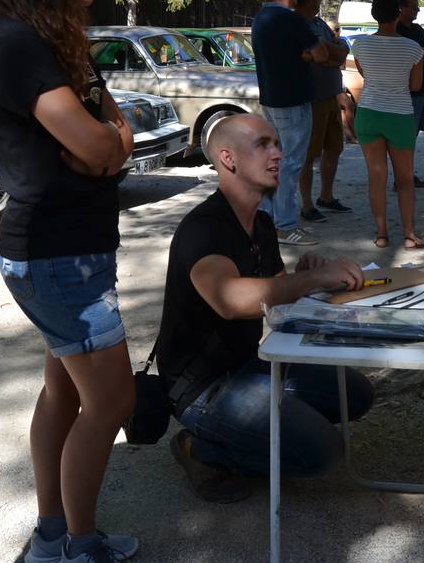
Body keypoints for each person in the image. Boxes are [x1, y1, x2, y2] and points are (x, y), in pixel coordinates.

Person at [0, 0, 146, 563]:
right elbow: (97, 141)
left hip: (69, 252)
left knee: (61, 392)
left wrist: (107, 147)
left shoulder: (53, 43)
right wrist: (105, 146)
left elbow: (117, 134)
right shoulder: (19, 44)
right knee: (110, 400)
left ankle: (52, 533)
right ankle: (81, 549)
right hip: (57, 257)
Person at [157, 114, 373, 502]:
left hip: (254, 364)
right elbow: (231, 300)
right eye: (262, 145)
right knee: (322, 452)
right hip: (206, 386)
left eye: (276, 143)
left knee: (355, 394)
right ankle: (199, 446)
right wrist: (310, 281)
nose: (277, 153)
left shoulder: (260, 223)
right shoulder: (204, 228)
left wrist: (305, 275)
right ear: (228, 158)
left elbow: (272, 293)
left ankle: (264, 428)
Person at [251, 0, 335, 246]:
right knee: (291, 164)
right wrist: (310, 56)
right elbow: (322, 53)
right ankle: (284, 225)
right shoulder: (292, 19)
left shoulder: (260, 18)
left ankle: (266, 218)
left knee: (274, 161)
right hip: (294, 100)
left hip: (271, 100)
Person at [351, 0, 424, 249]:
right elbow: (416, 85)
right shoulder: (413, 48)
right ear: (399, 13)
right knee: (405, 178)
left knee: (376, 176)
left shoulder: (360, 44)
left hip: (369, 113)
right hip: (400, 115)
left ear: (374, 15)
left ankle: (381, 233)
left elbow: (365, 74)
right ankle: (409, 234)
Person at [294, 0, 351, 222]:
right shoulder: (298, 25)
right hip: (312, 98)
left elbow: (341, 52)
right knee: (308, 154)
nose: (319, 0)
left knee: (334, 149)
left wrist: (328, 54)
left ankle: (326, 196)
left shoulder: (319, 23)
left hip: (330, 95)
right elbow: (325, 53)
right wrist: (328, 53)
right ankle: (306, 205)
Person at [396, 0, 424, 189]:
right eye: (413, 7)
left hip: (422, 91)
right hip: (408, 92)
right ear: (401, 8)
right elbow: (408, 56)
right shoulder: (397, 31)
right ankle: (402, 178)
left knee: (411, 137)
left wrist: (421, 52)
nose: (417, 10)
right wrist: (422, 52)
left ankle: (407, 175)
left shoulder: (418, 30)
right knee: (404, 137)